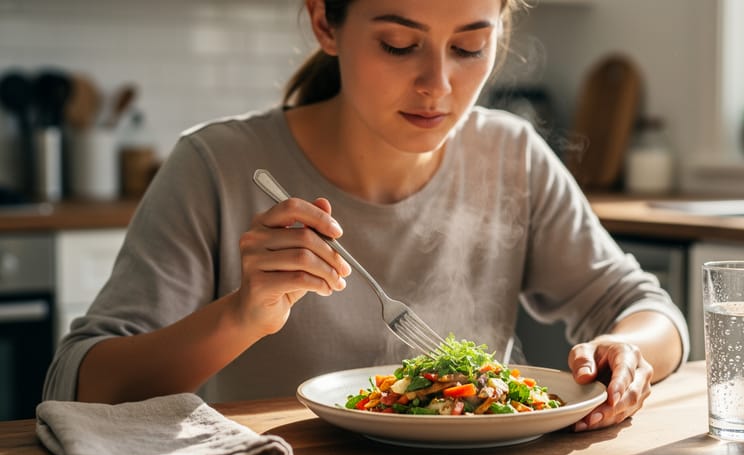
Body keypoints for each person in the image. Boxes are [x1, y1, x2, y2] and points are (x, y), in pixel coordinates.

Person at [43, 0, 688, 432]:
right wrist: (241, 317)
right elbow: (77, 385)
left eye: (468, 48)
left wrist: (627, 350)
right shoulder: (215, 164)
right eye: (398, 44)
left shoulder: (511, 154)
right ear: (326, 23)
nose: (437, 84)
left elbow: (647, 307)